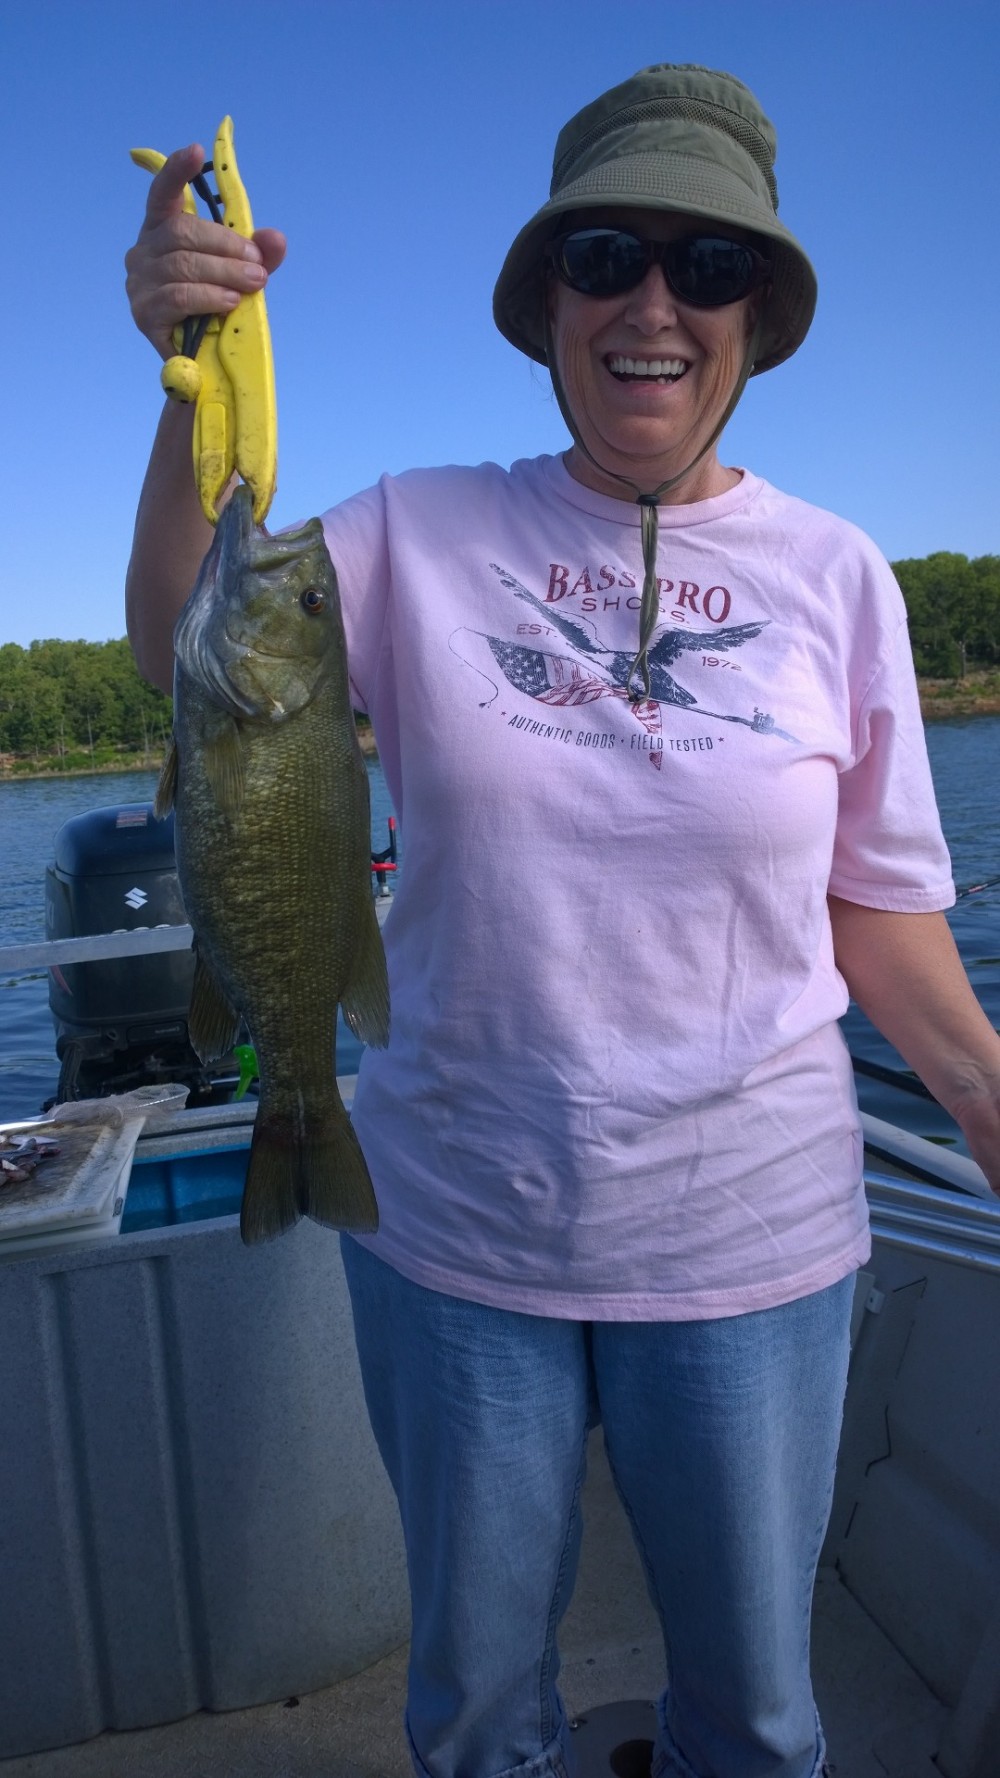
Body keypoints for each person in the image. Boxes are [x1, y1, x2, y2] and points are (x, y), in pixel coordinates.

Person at [124, 62, 1000, 1778]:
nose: (654, 302)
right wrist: (183, 378)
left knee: (756, 1715)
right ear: (551, 306)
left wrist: (985, 1097)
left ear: (760, 311)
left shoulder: (841, 579)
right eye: (605, 255)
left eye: (707, 264)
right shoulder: (409, 534)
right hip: (458, 1235)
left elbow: (880, 919)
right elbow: (182, 656)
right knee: (474, 1711)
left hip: (755, 1240)